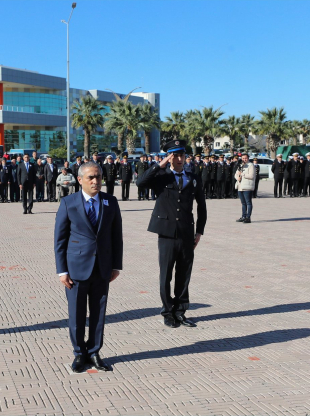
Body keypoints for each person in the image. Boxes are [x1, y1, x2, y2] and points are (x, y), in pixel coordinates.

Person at [54, 161, 123, 373]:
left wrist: (116, 265)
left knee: (98, 313)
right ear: (80, 180)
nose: (95, 181)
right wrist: (62, 270)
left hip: (102, 268)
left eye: (98, 177)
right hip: (76, 269)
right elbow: (60, 239)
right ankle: (78, 354)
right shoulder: (69, 203)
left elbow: (116, 236)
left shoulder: (110, 202)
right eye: (91, 177)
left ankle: (94, 352)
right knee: (76, 314)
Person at [136, 140, 207, 329]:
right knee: (166, 274)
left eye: (181, 155)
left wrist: (199, 231)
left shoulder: (193, 177)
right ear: (169, 157)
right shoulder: (161, 176)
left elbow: (202, 206)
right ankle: (167, 312)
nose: (178, 159)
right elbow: (140, 182)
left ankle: (180, 311)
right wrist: (159, 165)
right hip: (167, 233)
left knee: (184, 274)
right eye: (174, 155)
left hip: (186, 233)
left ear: (185, 156)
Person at [235, 154, 256, 223]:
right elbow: (236, 174)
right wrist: (237, 177)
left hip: (247, 187)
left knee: (248, 202)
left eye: (245, 158)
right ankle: (243, 216)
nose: (244, 159)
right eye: (243, 158)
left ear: (248, 158)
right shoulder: (240, 165)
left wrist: (242, 174)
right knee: (243, 203)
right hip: (240, 186)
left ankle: (248, 217)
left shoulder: (251, 165)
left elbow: (251, 176)